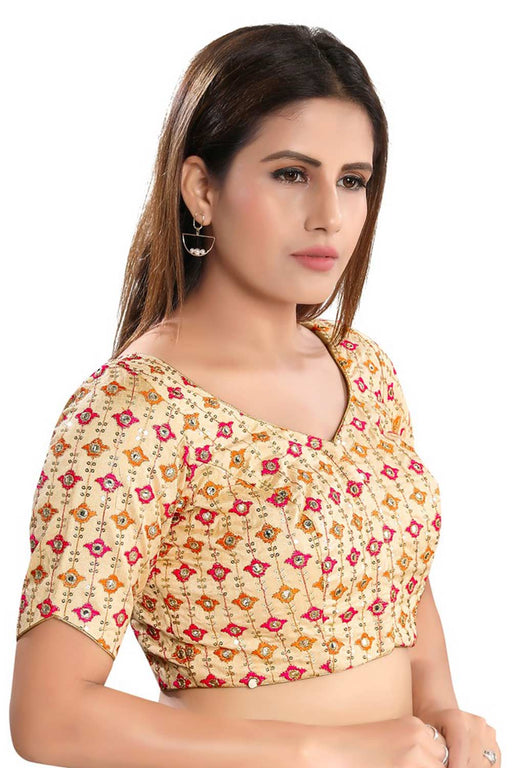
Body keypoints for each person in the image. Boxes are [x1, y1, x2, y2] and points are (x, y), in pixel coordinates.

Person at [10, 22, 500, 768]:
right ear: (202, 189)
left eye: (353, 180)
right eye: (292, 174)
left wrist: (443, 714)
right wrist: (326, 752)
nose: (329, 216)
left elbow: (399, 581)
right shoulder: (131, 415)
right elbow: (49, 717)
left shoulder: (362, 369)